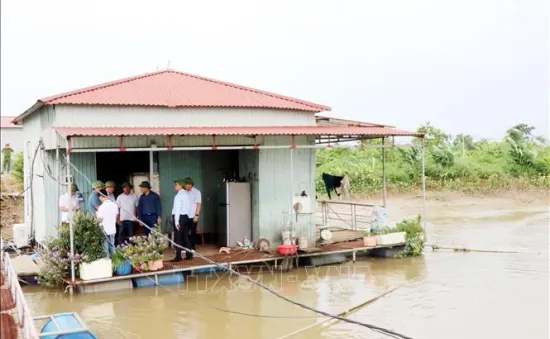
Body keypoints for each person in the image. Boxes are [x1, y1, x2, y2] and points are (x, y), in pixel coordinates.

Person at [170, 179, 193, 262]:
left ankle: (178, 257)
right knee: (186, 236)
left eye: (176, 185)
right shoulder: (186, 194)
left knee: (178, 237)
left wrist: (176, 221)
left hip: (179, 217)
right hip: (186, 217)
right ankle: (189, 254)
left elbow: (177, 210)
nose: (174, 186)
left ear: (180, 185)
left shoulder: (178, 196)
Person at [96, 188, 119, 257]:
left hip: (104, 230)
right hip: (113, 228)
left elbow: (100, 220)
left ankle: (107, 262)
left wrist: (97, 214)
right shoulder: (114, 205)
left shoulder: (101, 207)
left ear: (101, 197)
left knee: (105, 248)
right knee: (112, 246)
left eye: (99, 198)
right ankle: (115, 262)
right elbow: (116, 216)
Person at [183, 177, 201, 250]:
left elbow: (198, 204)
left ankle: (192, 247)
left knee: (193, 232)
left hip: (193, 215)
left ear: (190, 185)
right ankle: (186, 247)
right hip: (184, 215)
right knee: (184, 232)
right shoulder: (183, 192)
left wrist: (196, 215)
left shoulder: (196, 192)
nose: (185, 186)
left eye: (186, 185)